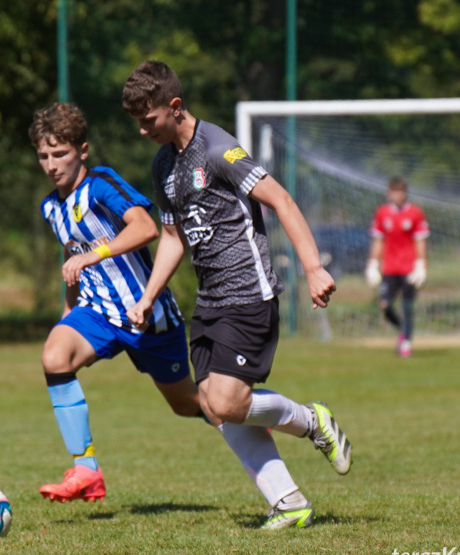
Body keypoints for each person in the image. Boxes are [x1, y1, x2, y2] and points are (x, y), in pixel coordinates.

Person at [122, 60, 352, 529]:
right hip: (210, 300)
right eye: (137, 123)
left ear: (175, 106)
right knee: (211, 406)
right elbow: (172, 238)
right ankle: (288, 502)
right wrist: (147, 297)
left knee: (226, 401)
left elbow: (281, 200)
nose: (143, 130)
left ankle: (311, 420)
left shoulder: (218, 149)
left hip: (249, 293)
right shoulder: (163, 165)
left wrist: (312, 268)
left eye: (149, 120)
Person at [29, 102, 205, 503]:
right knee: (54, 357)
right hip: (97, 313)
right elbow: (73, 257)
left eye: (60, 154)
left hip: (148, 316)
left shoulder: (102, 184)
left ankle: (251, 414)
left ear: (83, 151)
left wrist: (93, 255)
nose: (51, 164)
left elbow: (146, 229)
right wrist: (68, 312)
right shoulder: (50, 208)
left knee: (189, 404)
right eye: (44, 155)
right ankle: (87, 470)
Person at [365, 177, 430, 358]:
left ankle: (406, 343)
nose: (398, 196)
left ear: (405, 193)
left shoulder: (415, 213)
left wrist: (421, 265)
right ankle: (403, 330)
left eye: (401, 192)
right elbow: (378, 240)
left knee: (407, 306)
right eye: (394, 192)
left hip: (409, 268)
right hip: (390, 269)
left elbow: (420, 241)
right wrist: (373, 264)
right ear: (389, 193)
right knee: (385, 304)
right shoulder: (382, 213)